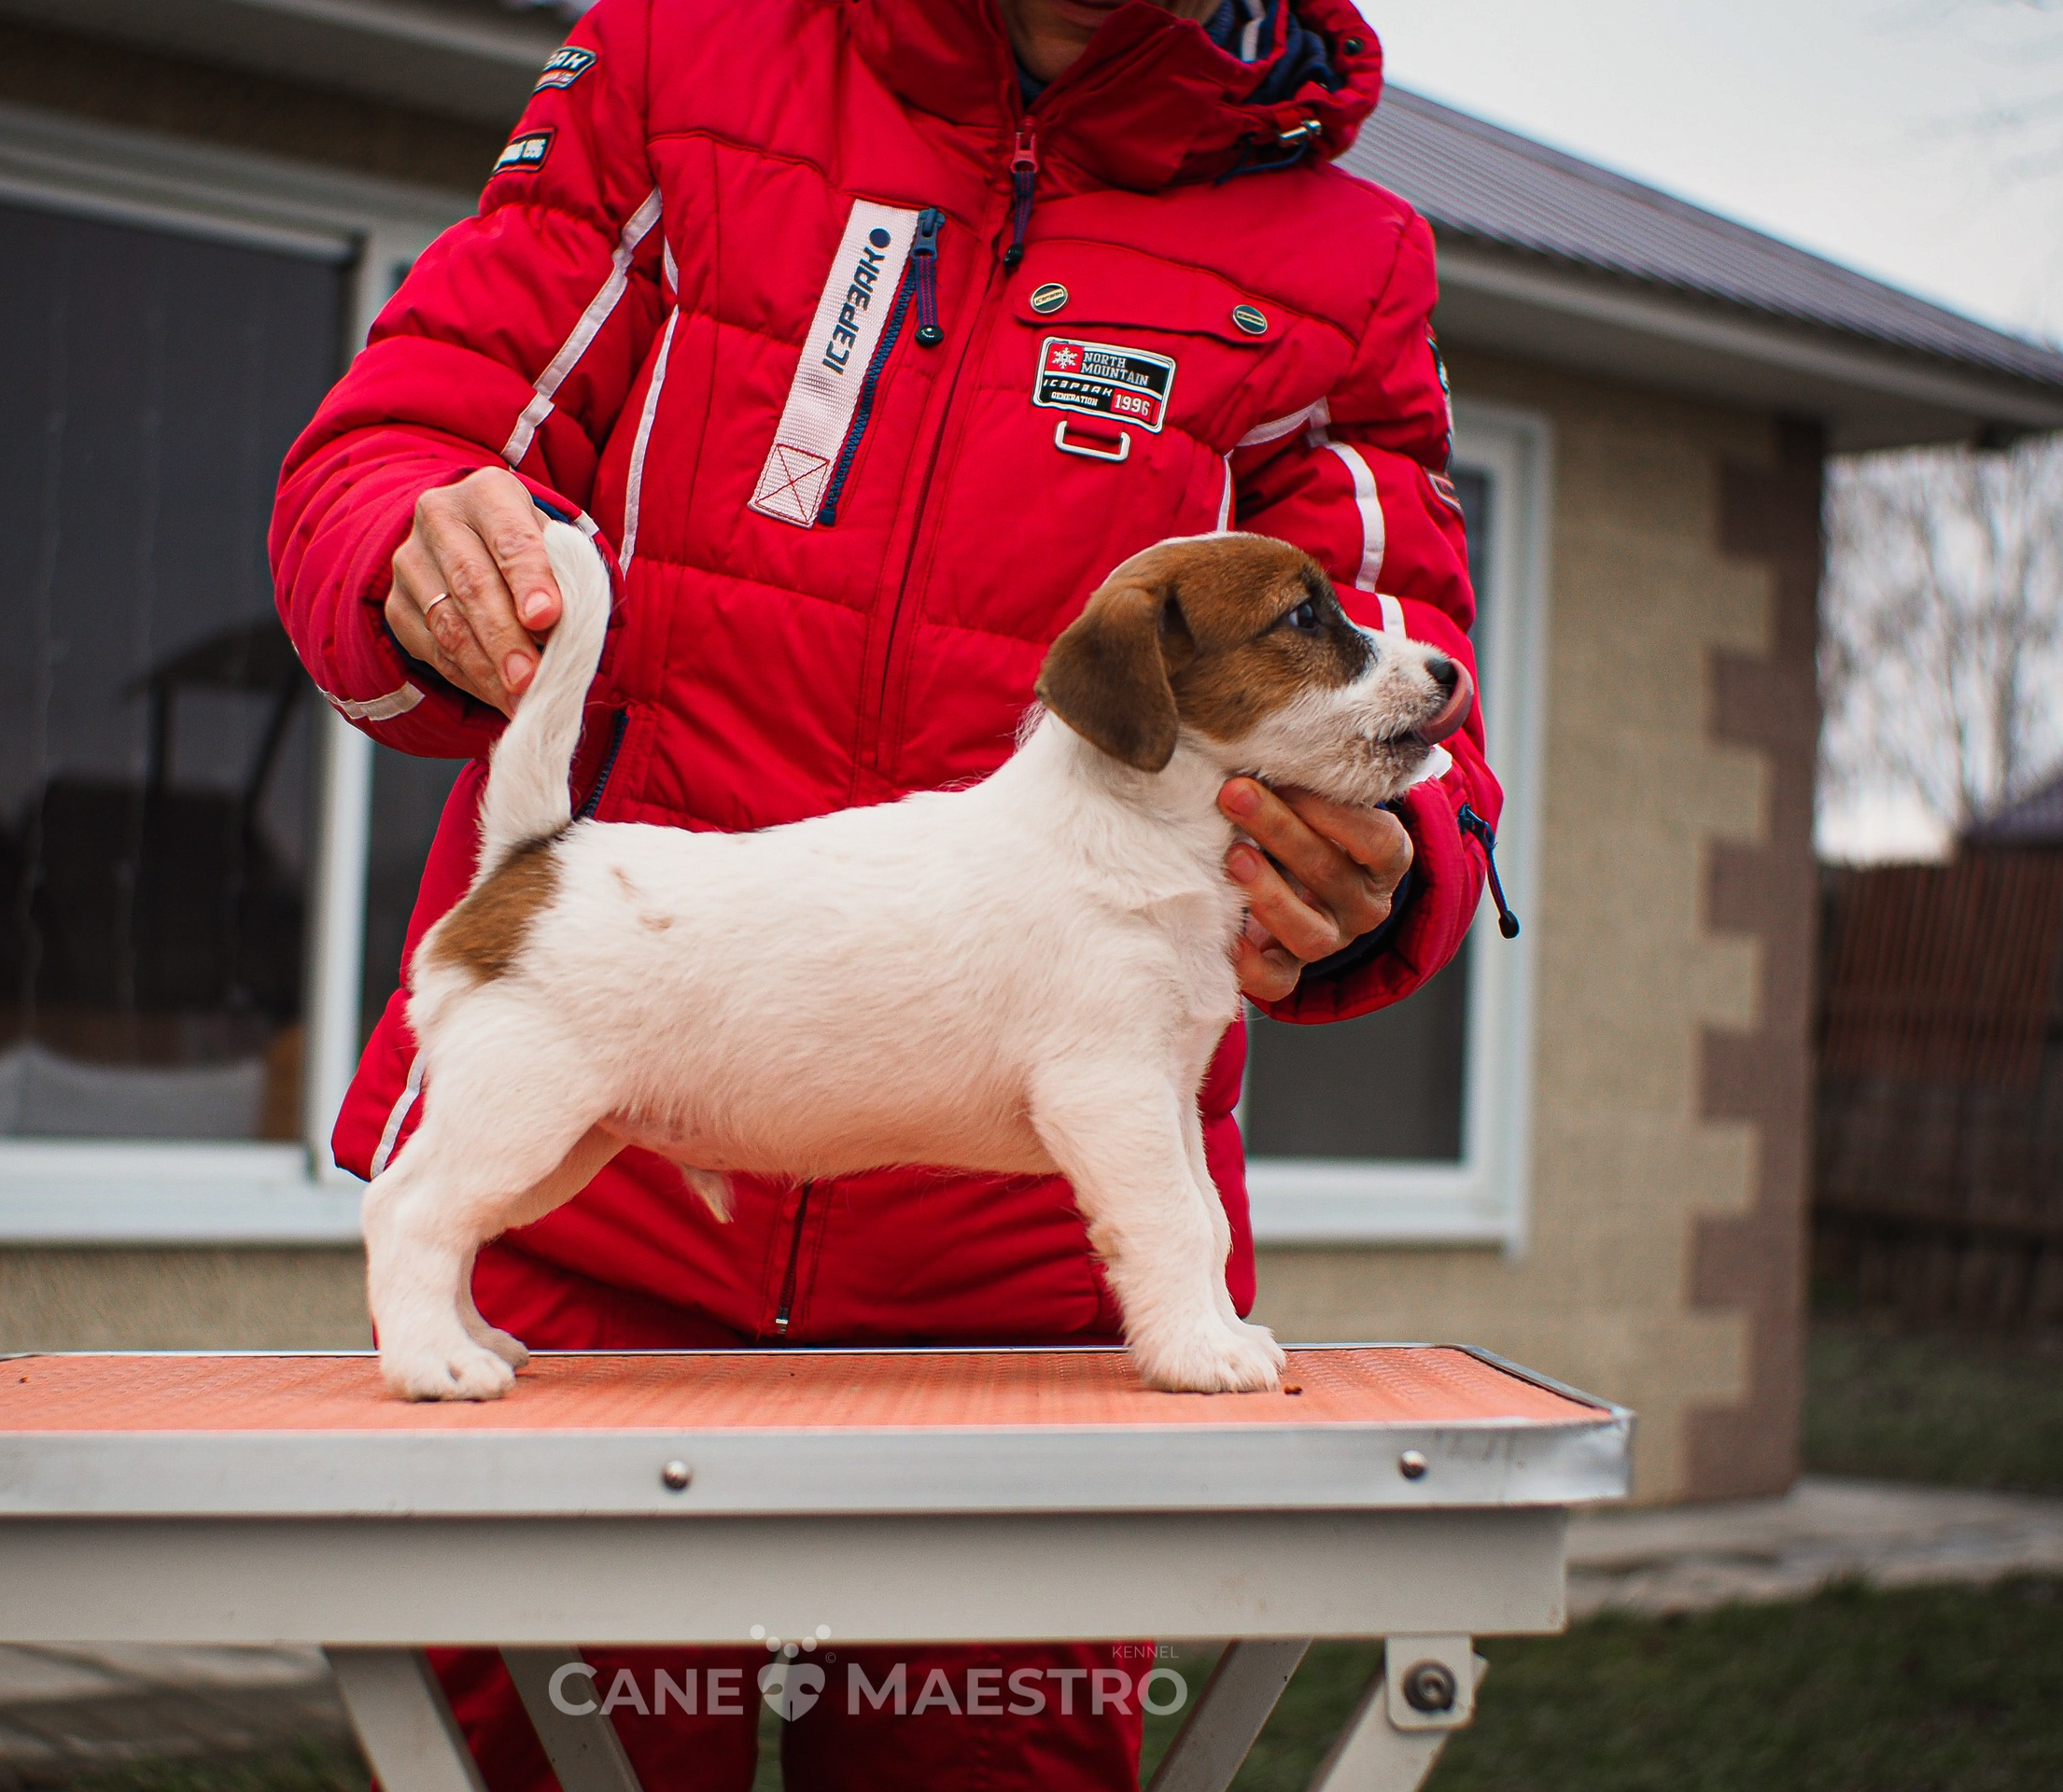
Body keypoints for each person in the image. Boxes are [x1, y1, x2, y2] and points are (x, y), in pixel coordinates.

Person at [271, 0, 1501, 1784]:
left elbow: (1399, 649)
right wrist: (414, 548)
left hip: (1035, 1311)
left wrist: (1394, 869)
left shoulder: (1346, 250)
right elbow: (395, 444)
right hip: (598, 1259)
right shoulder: (673, 56)